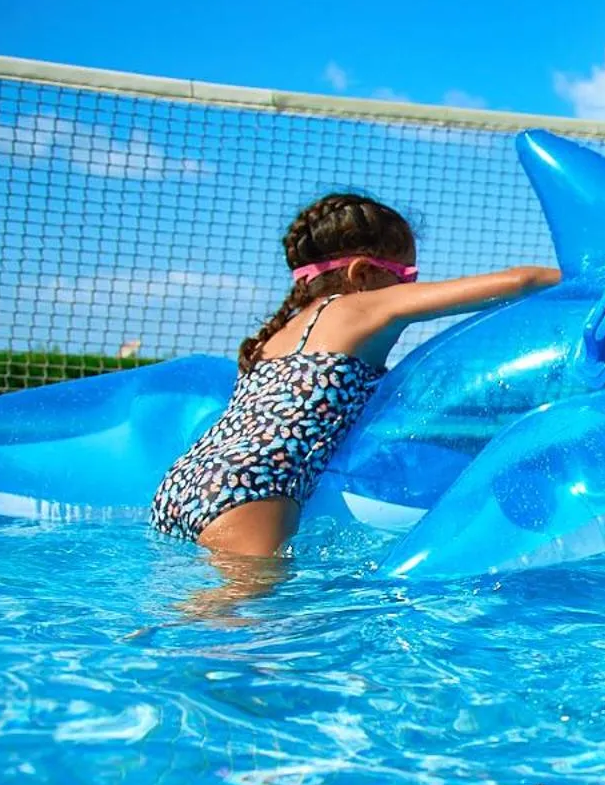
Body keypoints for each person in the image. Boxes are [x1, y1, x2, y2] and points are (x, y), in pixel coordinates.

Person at [150, 193, 559, 557]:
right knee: (242, 616)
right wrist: (586, 277)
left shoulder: (279, 333)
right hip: (253, 486)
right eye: (406, 277)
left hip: (185, 481)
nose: (410, 287)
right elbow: (519, 281)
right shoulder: (362, 307)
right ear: (361, 275)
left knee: (194, 607)